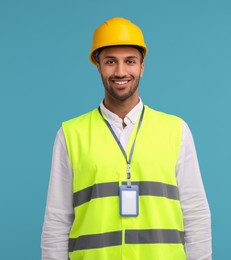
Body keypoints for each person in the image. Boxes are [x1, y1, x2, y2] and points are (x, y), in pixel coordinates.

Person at [41, 17, 212, 260]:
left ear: (142, 67)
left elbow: (195, 214)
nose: (120, 71)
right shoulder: (70, 134)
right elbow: (57, 221)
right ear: (98, 65)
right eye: (110, 61)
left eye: (129, 61)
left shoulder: (176, 130)